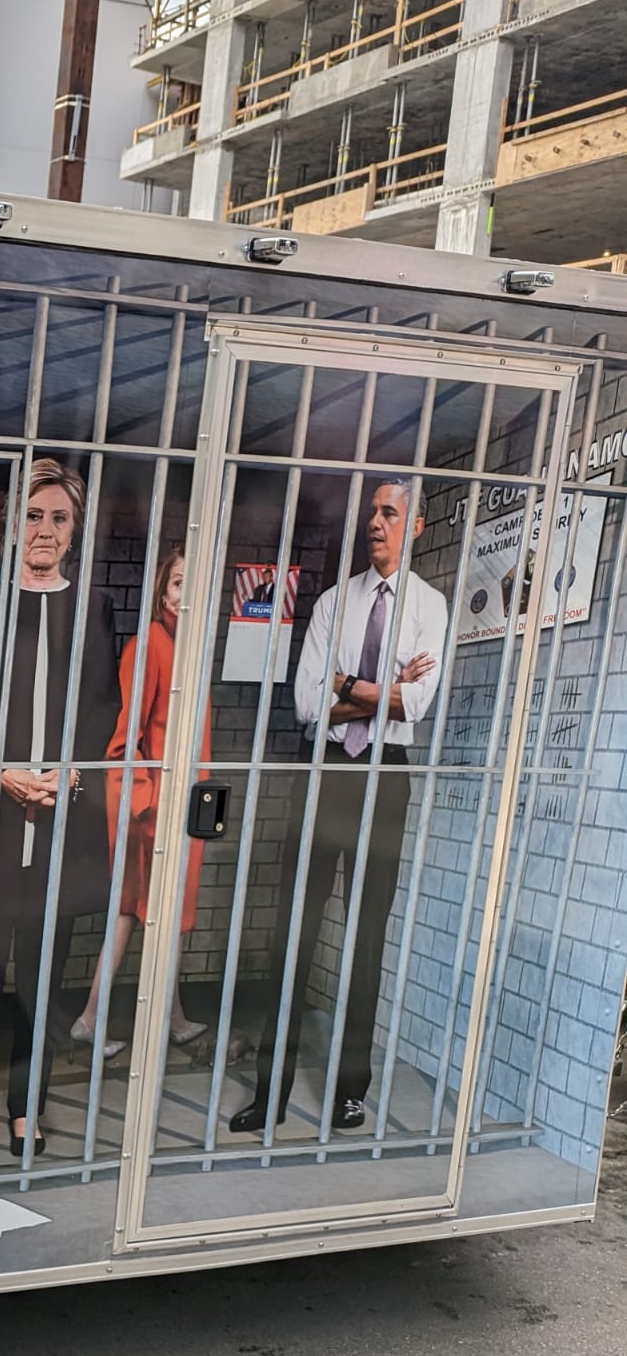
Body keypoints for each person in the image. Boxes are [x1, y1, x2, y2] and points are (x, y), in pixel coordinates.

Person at [231, 478, 448, 1134]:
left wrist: (347, 686)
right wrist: (381, 690)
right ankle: (269, 1090)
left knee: (366, 937)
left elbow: (418, 705)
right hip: (323, 773)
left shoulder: (430, 607)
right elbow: (307, 705)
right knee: (292, 932)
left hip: (385, 777)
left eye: (390, 513)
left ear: (415, 526)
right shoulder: (333, 602)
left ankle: (351, 1091)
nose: (375, 523)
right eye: (371, 512)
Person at [0, 458, 119, 1162]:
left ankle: (26, 1107)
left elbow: (102, 701)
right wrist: (2, 771)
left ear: (75, 530)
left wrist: (69, 773)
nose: (45, 530)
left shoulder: (93, 606)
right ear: (14, 524)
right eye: (34, 516)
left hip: (62, 817)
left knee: (43, 977)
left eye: (59, 518)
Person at [73, 545, 211, 1061]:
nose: (186, 593)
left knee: (151, 916)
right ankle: (95, 1018)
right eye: (178, 582)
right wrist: (149, 806)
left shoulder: (185, 648)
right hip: (153, 814)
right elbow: (122, 742)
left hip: (177, 809)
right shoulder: (149, 644)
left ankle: (161, 1017)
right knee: (137, 915)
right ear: (162, 591)